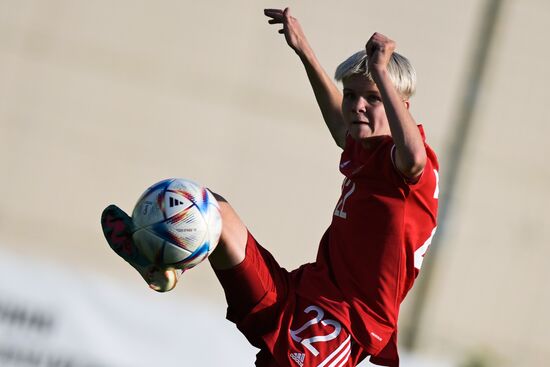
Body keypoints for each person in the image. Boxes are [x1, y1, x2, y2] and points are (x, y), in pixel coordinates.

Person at [101, 7, 439, 367]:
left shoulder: (409, 170)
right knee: (211, 208)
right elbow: (339, 125)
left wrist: (382, 72)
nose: (357, 106)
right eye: (351, 95)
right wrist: (304, 50)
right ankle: (163, 262)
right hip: (298, 291)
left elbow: (414, 158)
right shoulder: (367, 147)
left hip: (341, 326)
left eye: (371, 98)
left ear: (398, 104)